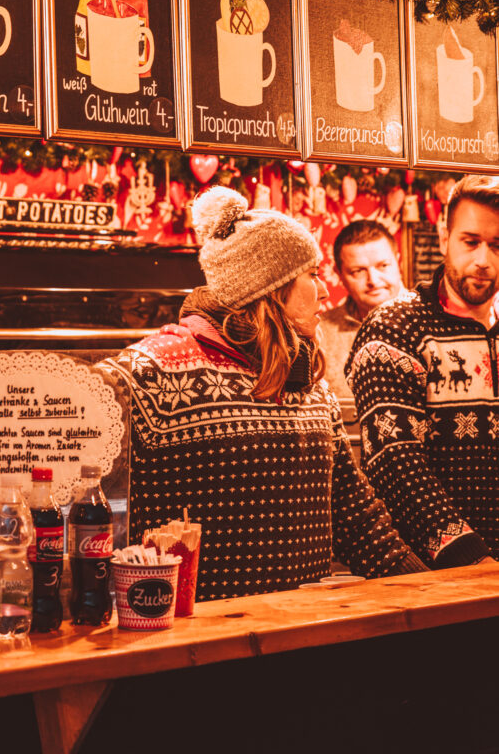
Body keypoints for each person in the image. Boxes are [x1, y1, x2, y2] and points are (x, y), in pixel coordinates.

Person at [101, 186, 424, 601]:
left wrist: (440, 593)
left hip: (303, 638)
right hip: (190, 646)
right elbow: (76, 495)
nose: (325, 291)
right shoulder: (147, 373)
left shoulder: (310, 386)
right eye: (312, 275)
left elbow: (359, 523)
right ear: (271, 288)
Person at [346, 174, 499, 569]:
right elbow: (395, 463)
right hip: (432, 578)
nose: (483, 260)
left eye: (497, 245)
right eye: (471, 241)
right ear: (444, 235)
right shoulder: (394, 328)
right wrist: (469, 558)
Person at [321, 220, 409, 424]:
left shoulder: (432, 323)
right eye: (358, 271)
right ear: (339, 274)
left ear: (398, 261)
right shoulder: (318, 334)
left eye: (383, 266)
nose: (373, 280)